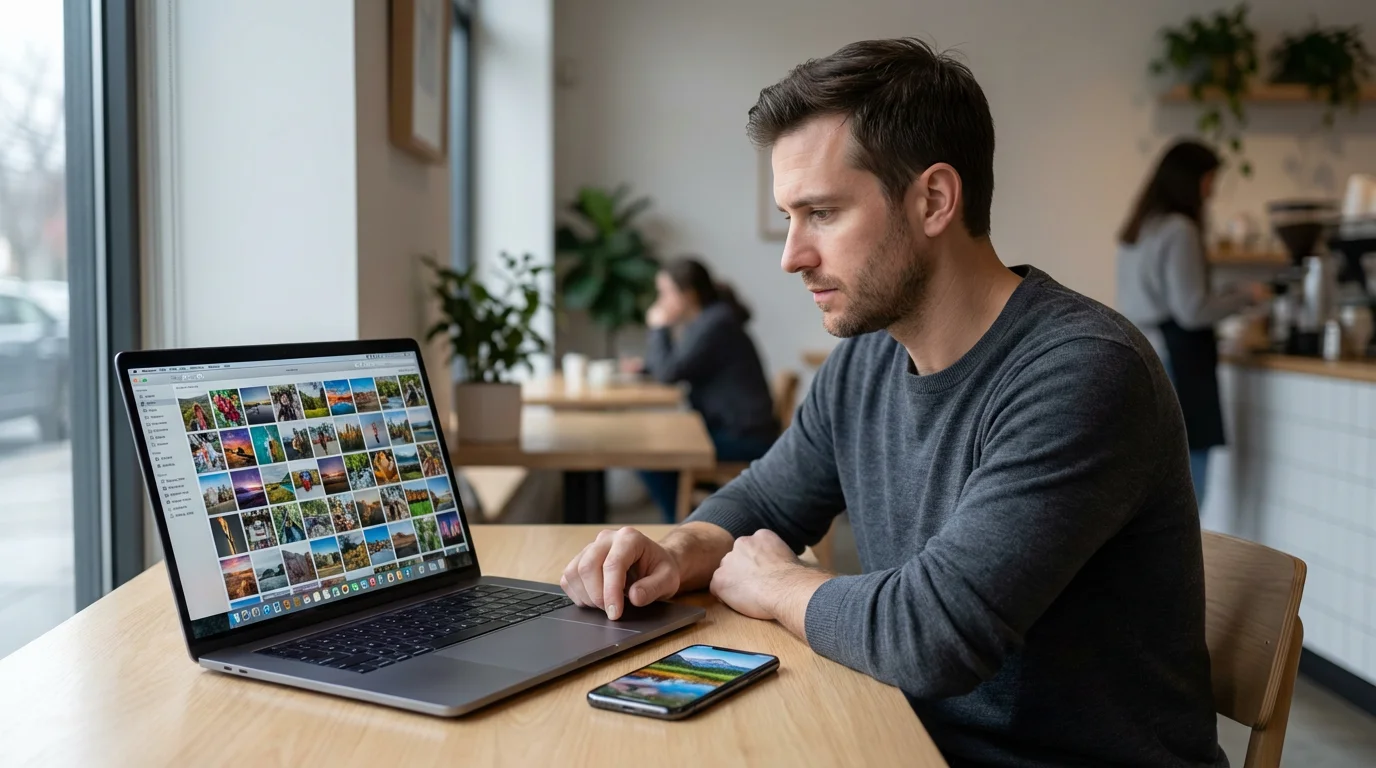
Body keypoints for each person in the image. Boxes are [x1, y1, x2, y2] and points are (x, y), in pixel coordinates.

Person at [560, 38, 1223, 767]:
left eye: (821, 213)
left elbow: (932, 637)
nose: (791, 255)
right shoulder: (869, 360)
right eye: (789, 216)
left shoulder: (1084, 372)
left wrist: (780, 585)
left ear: (934, 199)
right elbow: (767, 500)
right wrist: (676, 548)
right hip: (903, 739)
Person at [1117, 140, 1267, 506]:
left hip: (1138, 351)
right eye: (1210, 179)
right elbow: (1191, 310)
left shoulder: (1140, 228)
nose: (1212, 190)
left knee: (1151, 474)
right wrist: (1246, 296)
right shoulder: (1179, 229)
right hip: (1177, 360)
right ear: (1193, 180)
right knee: (1188, 482)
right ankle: (1184, 560)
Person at [634, 257, 779, 522]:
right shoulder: (710, 320)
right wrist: (646, 364)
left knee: (650, 456)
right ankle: (701, 518)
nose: (660, 301)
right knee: (652, 451)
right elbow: (674, 365)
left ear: (688, 294)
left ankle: (684, 525)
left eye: (665, 292)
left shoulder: (715, 324)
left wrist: (658, 327)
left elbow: (668, 373)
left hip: (744, 438)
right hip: (733, 429)